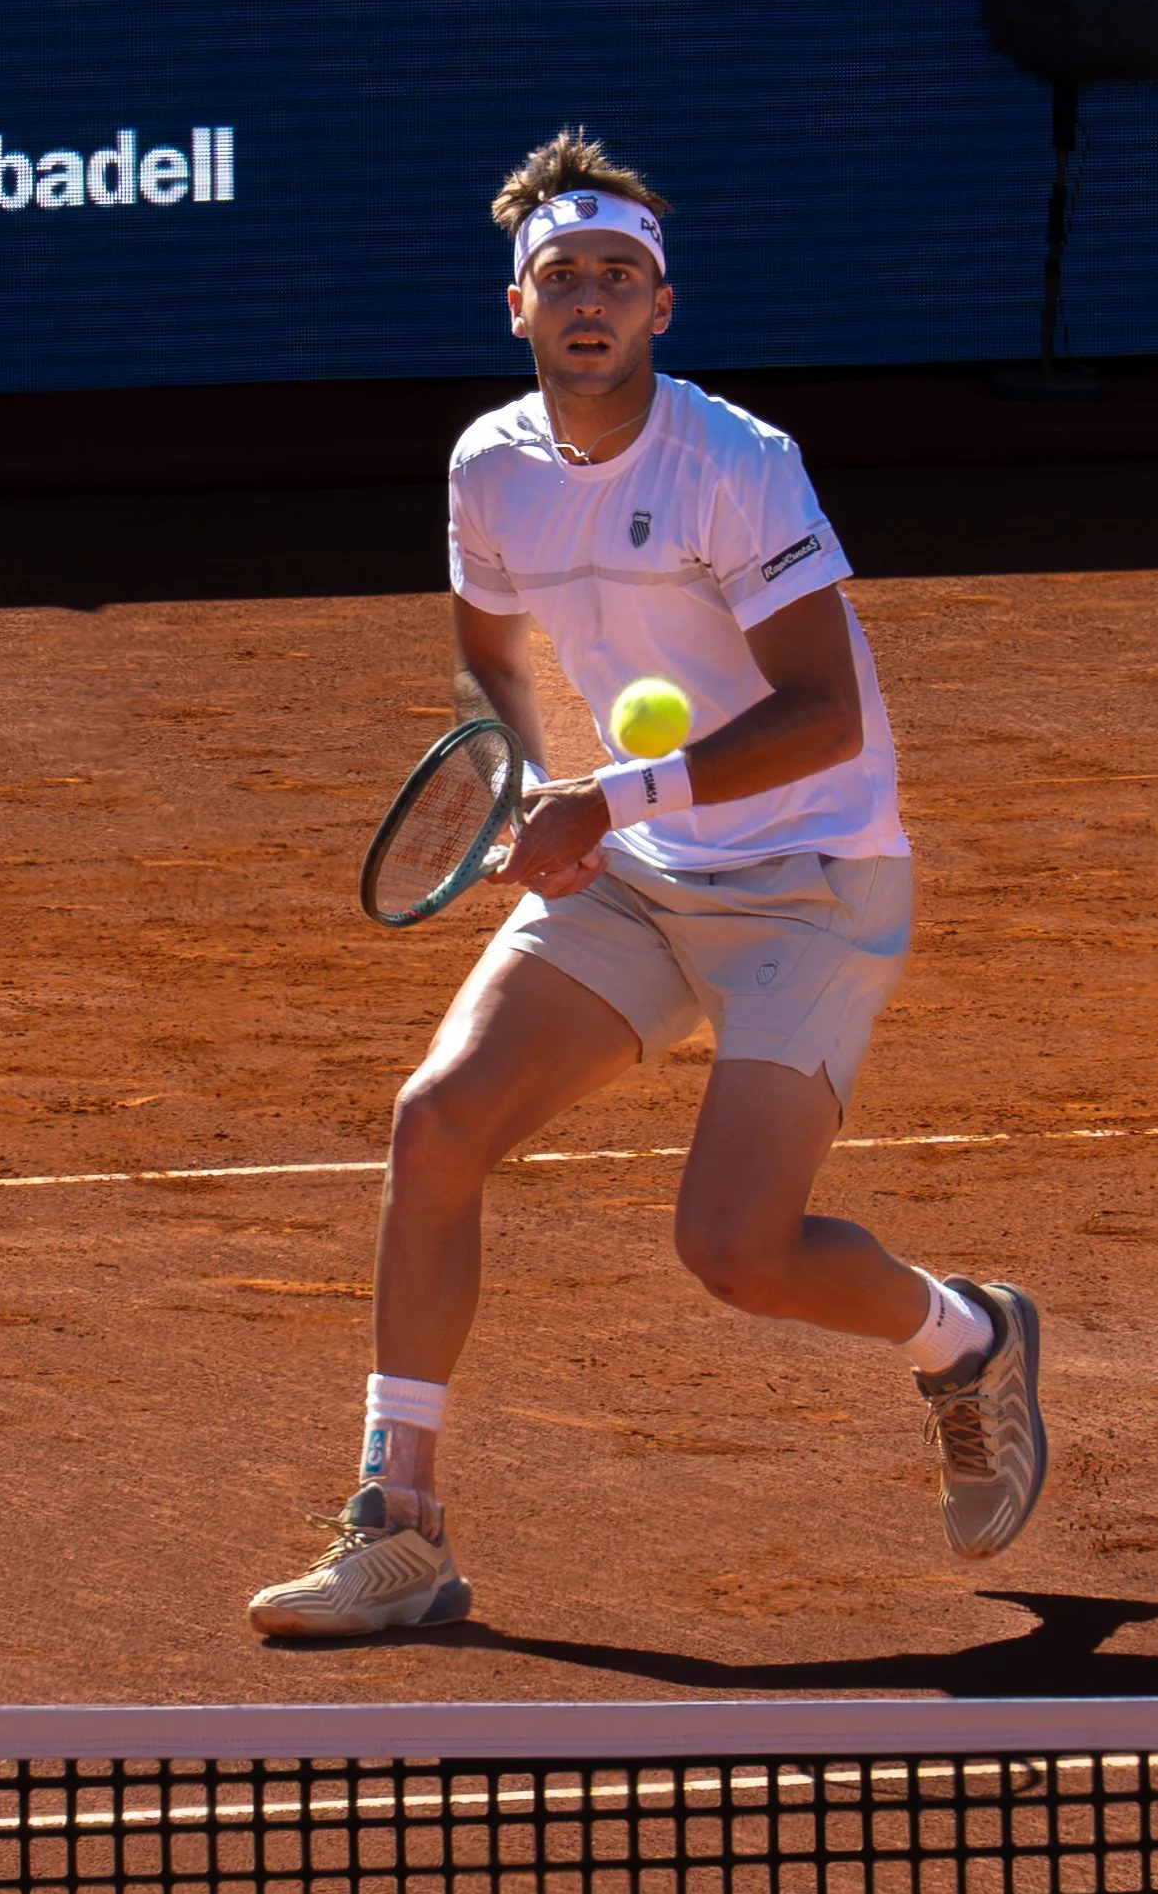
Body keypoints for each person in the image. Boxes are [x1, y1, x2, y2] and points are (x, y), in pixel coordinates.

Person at [248, 130, 1046, 1639]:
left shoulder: (736, 463)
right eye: (562, 278)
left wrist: (608, 794)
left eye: (619, 275)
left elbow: (826, 711)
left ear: (661, 307)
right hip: (635, 867)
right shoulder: (488, 466)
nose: (591, 298)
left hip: (809, 881)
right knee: (437, 1125)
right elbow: (493, 650)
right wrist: (533, 777)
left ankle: (962, 1337)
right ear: (519, 308)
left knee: (734, 1254)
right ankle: (397, 1526)